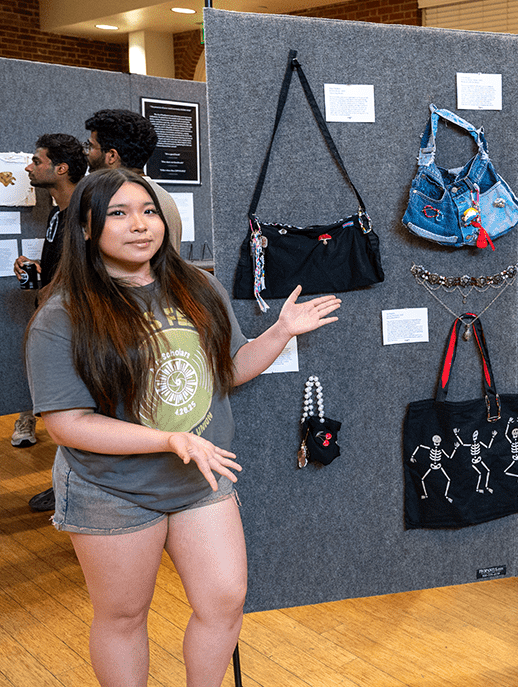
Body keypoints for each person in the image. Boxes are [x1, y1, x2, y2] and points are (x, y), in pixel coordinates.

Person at [24, 168, 340, 687]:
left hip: (200, 480)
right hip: (110, 489)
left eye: (148, 211)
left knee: (224, 600)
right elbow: (67, 424)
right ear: (86, 228)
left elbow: (228, 370)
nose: (140, 225)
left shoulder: (197, 286)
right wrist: (167, 439)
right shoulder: (64, 314)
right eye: (119, 214)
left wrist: (281, 332)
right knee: (123, 616)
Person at [12, 134, 87, 453]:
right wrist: (37, 268)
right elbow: (62, 261)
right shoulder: (58, 213)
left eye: (37, 160)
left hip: (74, 326)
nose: (29, 167)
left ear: (61, 169)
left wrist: (51, 292)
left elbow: (83, 269)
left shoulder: (84, 214)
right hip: (55, 320)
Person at [84, 108, 182, 252]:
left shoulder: (117, 198)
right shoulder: (163, 197)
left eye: (91, 146)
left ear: (111, 156)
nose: (87, 154)